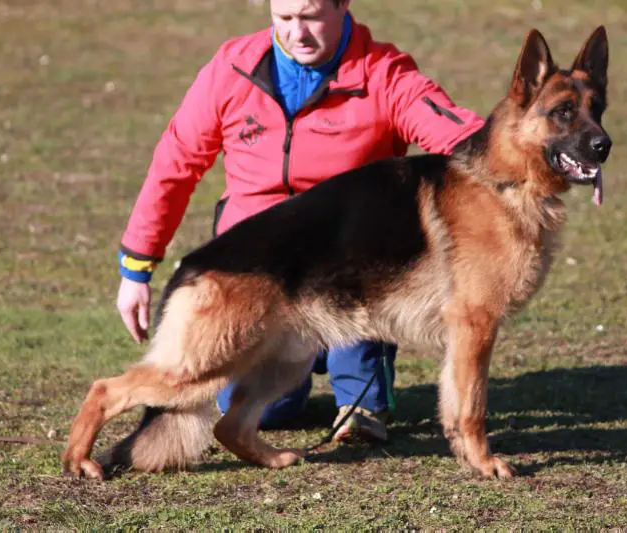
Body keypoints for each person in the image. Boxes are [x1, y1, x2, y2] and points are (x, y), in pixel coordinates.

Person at [115, 0, 485, 443]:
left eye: (310, 17)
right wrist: (137, 267)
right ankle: (290, 382)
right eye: (284, 18)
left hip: (355, 276)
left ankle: (358, 396)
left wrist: (531, 151)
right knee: (263, 413)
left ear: (343, 5)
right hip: (259, 275)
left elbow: (462, 138)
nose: (297, 33)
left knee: (362, 420)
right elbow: (175, 165)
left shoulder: (382, 72)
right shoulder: (232, 69)